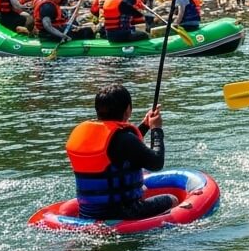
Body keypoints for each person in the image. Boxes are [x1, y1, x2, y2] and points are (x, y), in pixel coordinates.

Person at [66, 84, 174, 221]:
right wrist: (156, 129)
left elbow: (120, 148)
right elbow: (157, 163)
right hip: (124, 213)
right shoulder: (124, 139)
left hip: (87, 212)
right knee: (172, 199)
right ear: (128, 110)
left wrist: (146, 125)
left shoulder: (85, 135)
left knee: (144, 189)